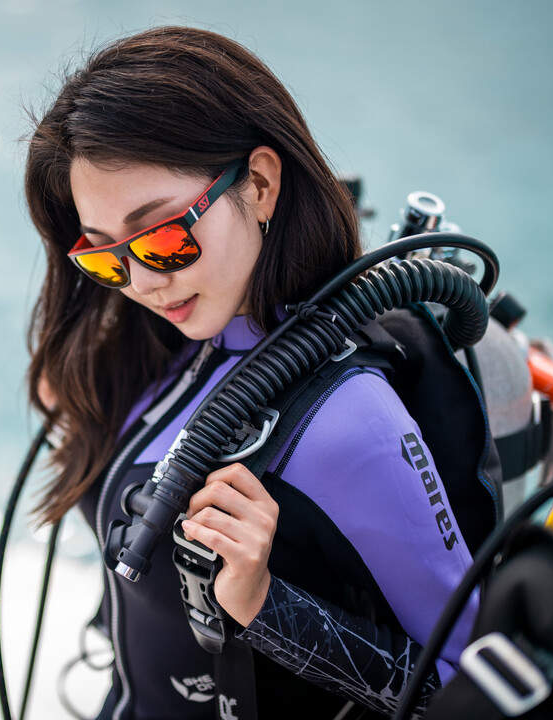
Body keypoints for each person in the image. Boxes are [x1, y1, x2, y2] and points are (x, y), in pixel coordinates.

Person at [24, 26, 481, 719]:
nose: (142, 282)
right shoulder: (161, 340)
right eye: (107, 257)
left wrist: (265, 604)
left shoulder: (352, 424)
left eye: (166, 237)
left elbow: (467, 685)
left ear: (261, 184)